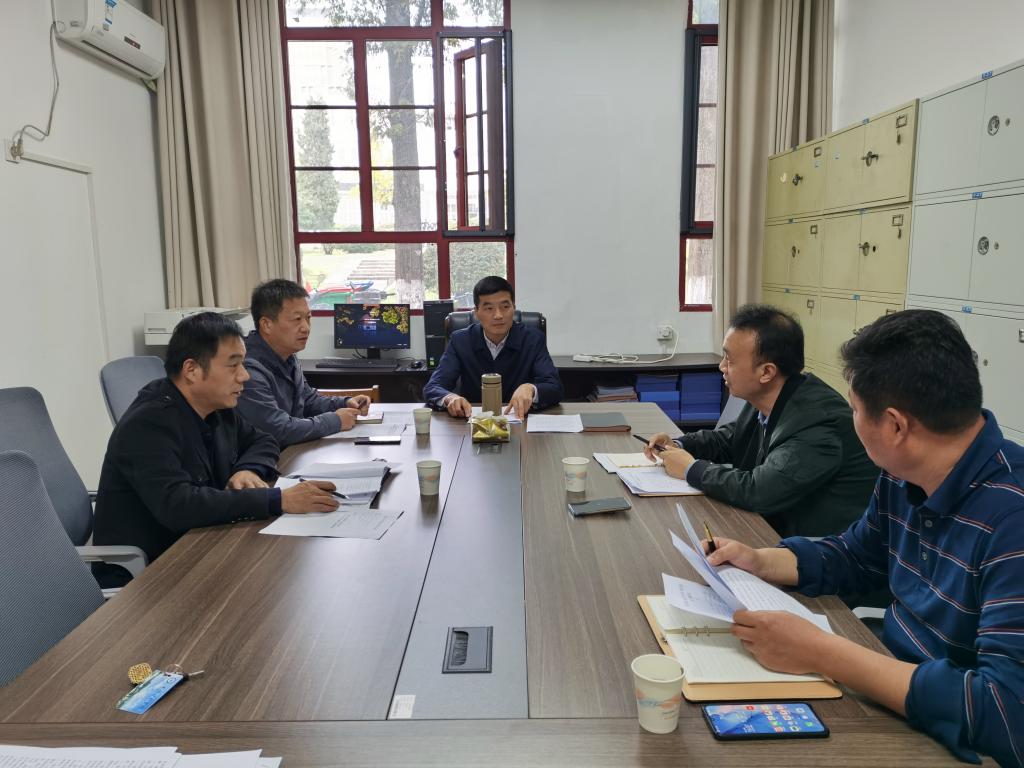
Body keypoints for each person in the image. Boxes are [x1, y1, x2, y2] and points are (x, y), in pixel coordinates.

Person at [706, 310, 1024, 766]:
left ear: (895, 426)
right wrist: (761, 560)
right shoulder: (903, 472)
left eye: (854, 409)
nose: (850, 418)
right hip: (888, 680)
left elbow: (1005, 714)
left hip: (955, 739)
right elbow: (857, 556)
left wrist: (821, 652)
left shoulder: (1012, 517)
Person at [94, 312, 340, 562]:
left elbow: (263, 439)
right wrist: (277, 500)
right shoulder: (148, 424)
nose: (244, 375)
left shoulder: (215, 408)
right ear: (191, 370)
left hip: (201, 542)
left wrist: (248, 469)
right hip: (153, 568)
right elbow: (178, 506)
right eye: (233, 365)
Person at [645, 304, 876, 537]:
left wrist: (691, 469)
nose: (722, 367)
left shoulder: (817, 422)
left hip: (817, 546)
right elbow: (731, 439)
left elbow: (759, 492)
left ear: (766, 372)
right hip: (775, 528)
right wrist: (679, 445)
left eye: (730, 360)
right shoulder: (771, 396)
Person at [237, 279, 372, 447]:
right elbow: (279, 430)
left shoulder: (288, 356)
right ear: (266, 324)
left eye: (308, 318)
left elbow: (308, 401)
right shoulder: (246, 371)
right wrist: (336, 420)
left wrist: (344, 403)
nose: (306, 327)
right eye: (297, 319)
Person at [423, 276, 563, 419]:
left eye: (505, 307)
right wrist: (450, 398)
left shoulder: (532, 339)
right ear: (476, 312)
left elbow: (554, 386)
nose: (498, 315)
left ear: (514, 308)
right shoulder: (460, 341)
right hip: (473, 424)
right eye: (489, 308)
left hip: (520, 421)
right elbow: (433, 387)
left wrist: (531, 389)